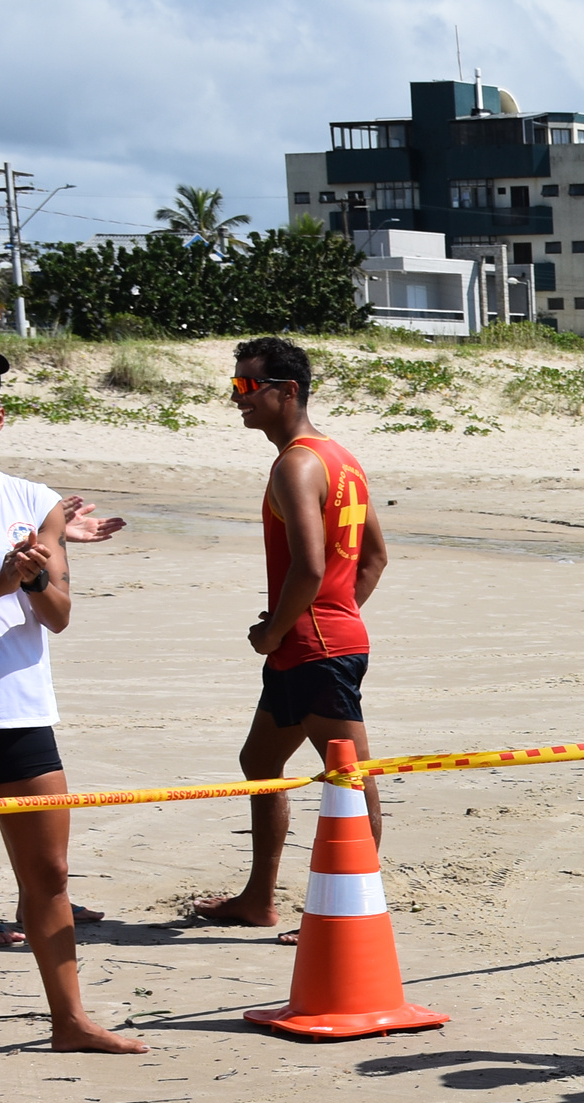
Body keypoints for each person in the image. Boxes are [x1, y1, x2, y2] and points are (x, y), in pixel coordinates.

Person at [0, 355, 146, 1067]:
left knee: (50, 876)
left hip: (20, 711)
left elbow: (57, 616)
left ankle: (71, 1020)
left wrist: (31, 579)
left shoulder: (37, 501)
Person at [192, 338, 387, 941]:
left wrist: (277, 629)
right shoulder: (340, 457)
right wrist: (328, 614)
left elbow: (307, 567)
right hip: (316, 640)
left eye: (247, 388)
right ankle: (257, 898)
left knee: (351, 777)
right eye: (235, 387)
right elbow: (374, 559)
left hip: (314, 647)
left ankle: (351, 911)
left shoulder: (296, 464)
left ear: (288, 391)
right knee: (261, 761)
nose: (237, 400)